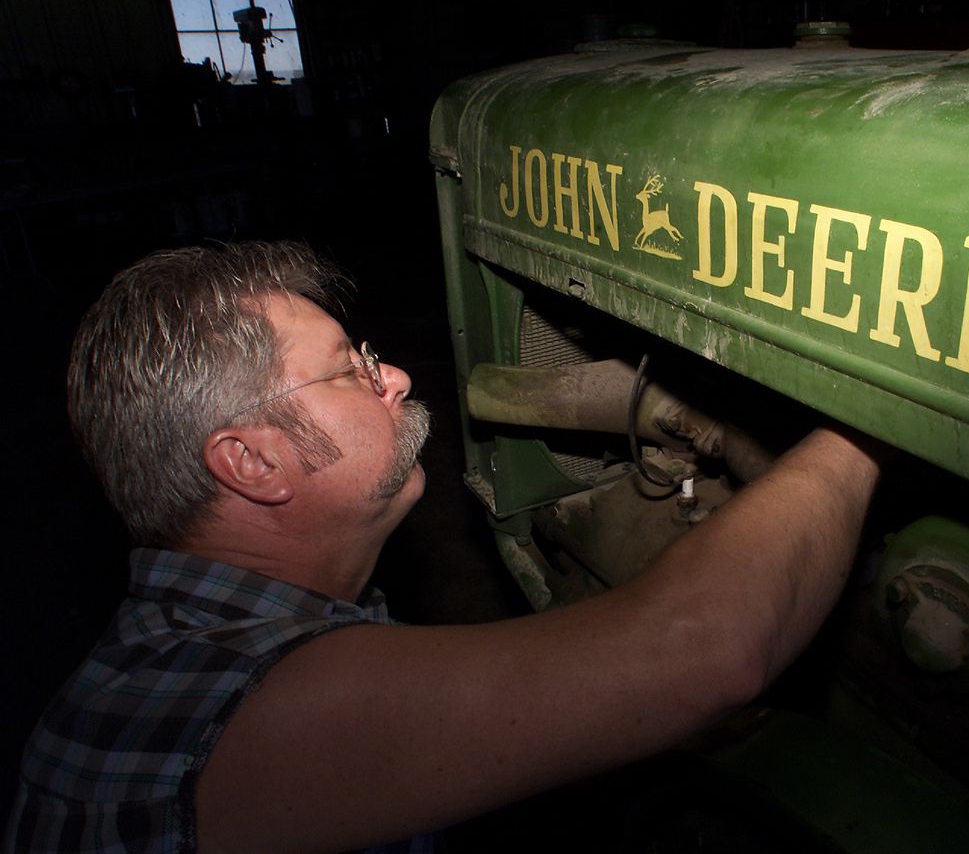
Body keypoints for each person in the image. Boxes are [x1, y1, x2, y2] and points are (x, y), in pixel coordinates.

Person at [5, 241, 885, 854]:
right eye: (349, 369)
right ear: (252, 460)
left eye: (370, 355)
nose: (395, 377)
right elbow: (697, 654)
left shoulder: (210, 633)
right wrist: (870, 422)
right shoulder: (216, 708)